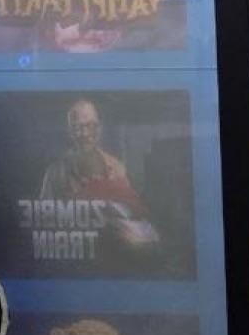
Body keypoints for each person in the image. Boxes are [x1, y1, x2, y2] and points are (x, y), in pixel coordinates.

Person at [37, 99, 160, 247]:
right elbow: (44, 223)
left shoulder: (117, 168)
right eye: (77, 127)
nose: (85, 133)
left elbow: (132, 212)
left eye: (90, 125)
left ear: (99, 128)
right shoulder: (55, 173)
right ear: (70, 132)